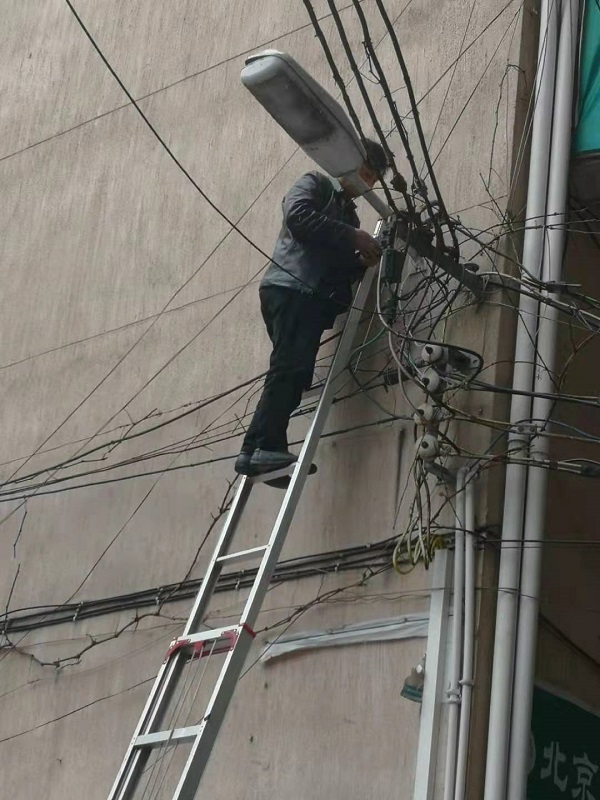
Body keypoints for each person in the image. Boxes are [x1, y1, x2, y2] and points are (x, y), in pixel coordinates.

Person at [235, 138, 388, 477]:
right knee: (289, 367)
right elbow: (298, 217)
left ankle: (254, 451)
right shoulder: (315, 183)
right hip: (291, 288)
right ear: (347, 163)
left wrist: (360, 262)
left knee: (294, 370)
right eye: (365, 174)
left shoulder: (347, 214)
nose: (366, 185)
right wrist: (354, 238)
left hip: (310, 297)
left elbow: (334, 262)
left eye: (372, 180)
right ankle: (265, 447)